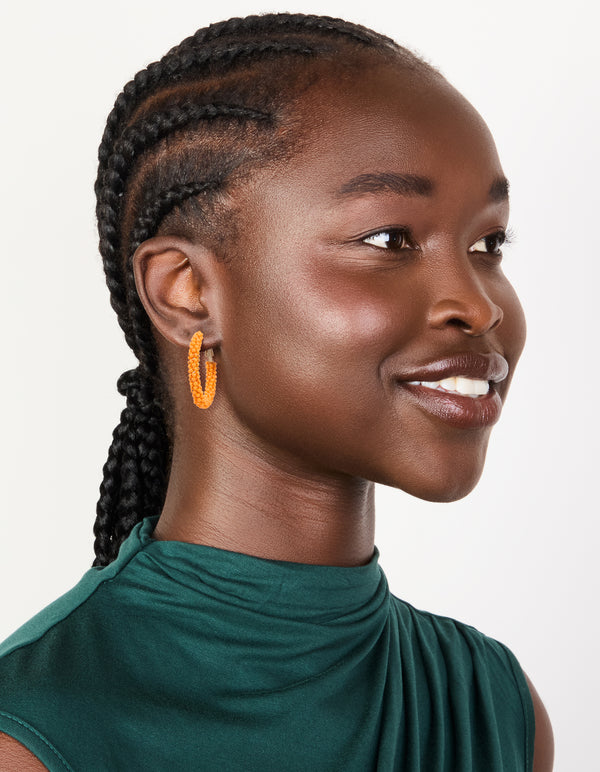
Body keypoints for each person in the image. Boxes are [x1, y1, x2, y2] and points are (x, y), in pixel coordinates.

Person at [0, 12, 553, 771]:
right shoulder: (33, 733)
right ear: (189, 291)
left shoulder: (494, 705)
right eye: (389, 239)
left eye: (487, 244)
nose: (480, 307)